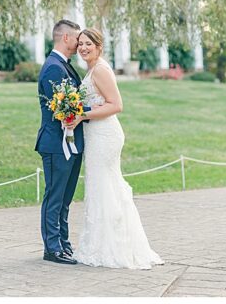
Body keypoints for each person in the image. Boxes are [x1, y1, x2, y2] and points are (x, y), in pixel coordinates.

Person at [67, 28, 163, 269]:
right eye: (80, 44)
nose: (83, 48)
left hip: (105, 135)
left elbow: (117, 105)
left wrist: (81, 115)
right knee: (102, 187)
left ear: (99, 46)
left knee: (105, 187)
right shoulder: (92, 69)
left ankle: (113, 248)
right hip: (96, 134)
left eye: (88, 43)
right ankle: (102, 244)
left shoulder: (100, 69)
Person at [35, 19, 86, 264]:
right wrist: (95, 108)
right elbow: (65, 108)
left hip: (70, 142)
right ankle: (52, 248)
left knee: (65, 199)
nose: (79, 44)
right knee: (55, 197)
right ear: (65, 38)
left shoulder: (63, 65)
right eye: (77, 39)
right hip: (57, 143)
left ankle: (63, 244)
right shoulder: (54, 67)